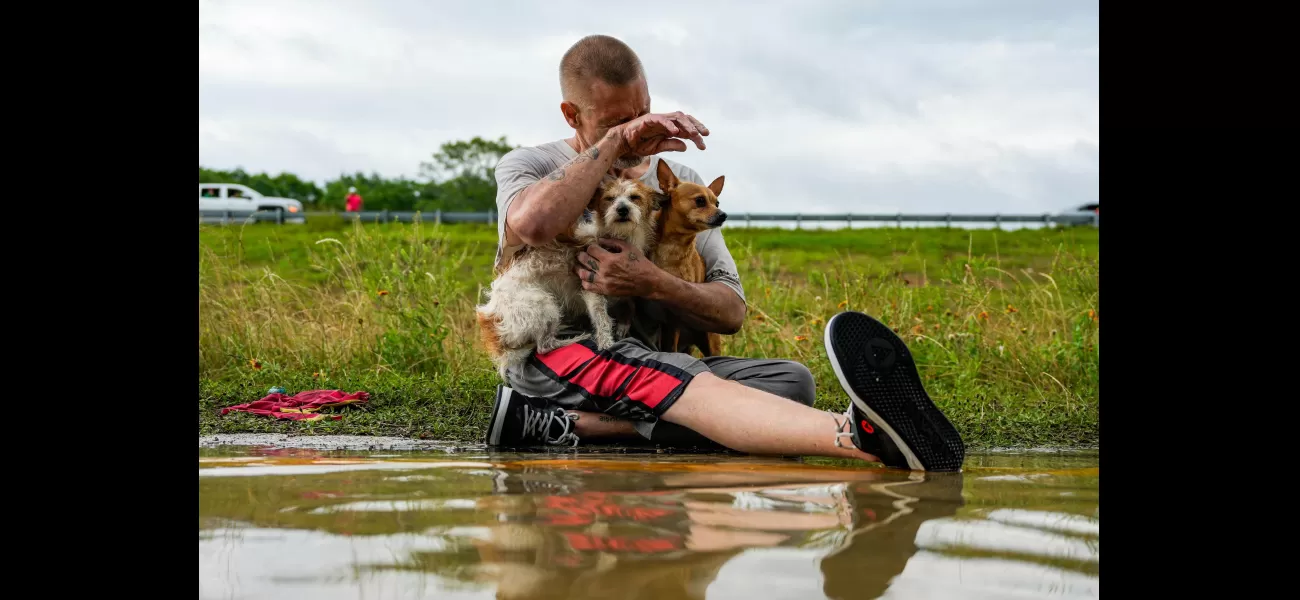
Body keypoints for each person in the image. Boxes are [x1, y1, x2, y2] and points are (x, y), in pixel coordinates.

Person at [483, 34, 965, 472]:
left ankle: (568, 426)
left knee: (791, 383)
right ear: (572, 115)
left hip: (650, 362)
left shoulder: (680, 186)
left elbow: (730, 313)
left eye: (641, 114)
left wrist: (652, 281)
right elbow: (531, 224)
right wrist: (614, 146)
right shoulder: (531, 165)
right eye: (616, 123)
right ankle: (857, 435)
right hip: (559, 351)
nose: (637, 132)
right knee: (681, 373)